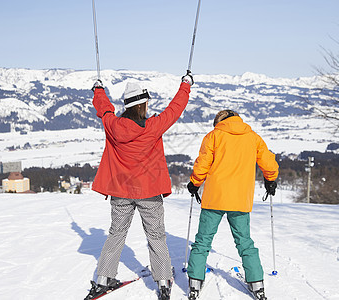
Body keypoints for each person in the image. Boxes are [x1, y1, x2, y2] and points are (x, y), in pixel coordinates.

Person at [84, 71, 194, 300]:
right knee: (156, 236)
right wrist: (185, 85)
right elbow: (175, 109)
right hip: (149, 192)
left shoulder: (113, 126)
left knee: (116, 234)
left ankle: (103, 279)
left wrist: (98, 90)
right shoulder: (153, 126)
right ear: (143, 104)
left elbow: (104, 109)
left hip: (120, 192)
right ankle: (163, 282)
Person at [186, 110, 278, 300]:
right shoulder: (253, 138)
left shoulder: (213, 136)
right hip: (240, 199)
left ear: (219, 122)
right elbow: (269, 163)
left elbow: (203, 164)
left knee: (203, 240)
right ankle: (257, 283)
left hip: (214, 197)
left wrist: (194, 183)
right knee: (245, 242)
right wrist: (271, 179)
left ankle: (195, 281)